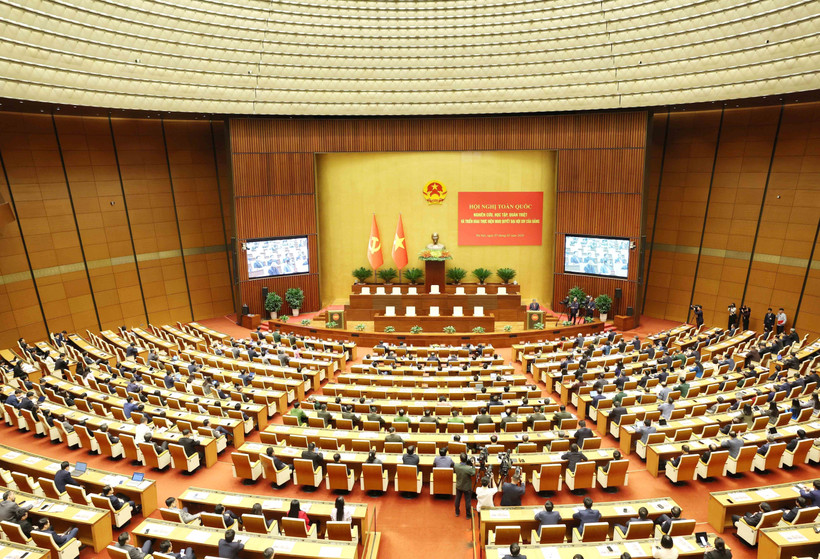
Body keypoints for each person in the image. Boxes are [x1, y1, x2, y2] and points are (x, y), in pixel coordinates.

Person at [453, 453, 475, 519]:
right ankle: (468, 515)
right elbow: (473, 473)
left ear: (460, 459)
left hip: (459, 485)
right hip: (467, 487)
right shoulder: (468, 469)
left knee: (457, 499)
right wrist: (473, 465)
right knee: (467, 501)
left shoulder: (456, 465)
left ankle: (457, 512)